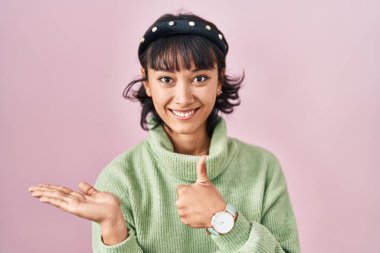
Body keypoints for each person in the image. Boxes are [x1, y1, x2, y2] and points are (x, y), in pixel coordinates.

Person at [29, 11, 300, 253]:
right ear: (147, 82)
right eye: (166, 80)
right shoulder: (120, 179)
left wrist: (223, 220)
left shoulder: (262, 168)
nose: (183, 98)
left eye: (200, 78)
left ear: (220, 80)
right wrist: (113, 228)